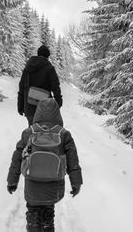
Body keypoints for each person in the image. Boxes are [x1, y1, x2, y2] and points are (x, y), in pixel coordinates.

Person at [7, 98, 83, 232]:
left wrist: (12, 181)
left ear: (38, 113)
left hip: (32, 184)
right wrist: (76, 183)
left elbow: (17, 157)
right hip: (53, 186)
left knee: (32, 213)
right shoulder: (64, 134)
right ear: (57, 114)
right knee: (48, 216)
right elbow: (73, 161)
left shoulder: (29, 132)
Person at [18, 45, 62, 126]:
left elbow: (22, 86)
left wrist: (20, 106)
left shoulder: (28, 68)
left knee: (32, 131)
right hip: (45, 107)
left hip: (29, 105)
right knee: (44, 133)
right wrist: (58, 103)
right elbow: (55, 87)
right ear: (48, 56)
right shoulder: (49, 68)